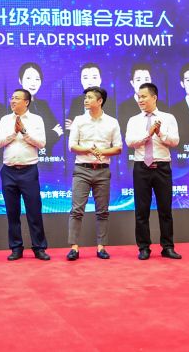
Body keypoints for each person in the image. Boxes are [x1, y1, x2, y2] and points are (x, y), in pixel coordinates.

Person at [125, 83, 182, 260]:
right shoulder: (134, 120)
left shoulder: (168, 117)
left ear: (154, 97)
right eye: (138, 97)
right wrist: (148, 134)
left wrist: (160, 133)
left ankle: (168, 247)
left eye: (144, 96)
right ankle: (144, 248)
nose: (140, 100)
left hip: (162, 166)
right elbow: (129, 142)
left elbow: (175, 141)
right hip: (141, 167)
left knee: (165, 210)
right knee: (141, 211)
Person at [66, 86, 122, 261]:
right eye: (86, 98)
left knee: (102, 211)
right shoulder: (79, 120)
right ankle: (74, 248)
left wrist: (102, 152)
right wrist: (89, 149)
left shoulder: (112, 122)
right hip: (82, 170)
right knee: (76, 210)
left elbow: (118, 148)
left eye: (90, 97)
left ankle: (101, 247)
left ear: (100, 101)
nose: (86, 100)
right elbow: (72, 146)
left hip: (102, 170)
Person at [0, 89, 50, 261]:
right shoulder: (5, 120)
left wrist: (24, 132)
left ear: (26, 102)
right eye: (12, 98)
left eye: (17, 98)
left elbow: (41, 143)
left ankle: (39, 248)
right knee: (12, 213)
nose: (12, 101)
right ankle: (16, 248)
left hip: (29, 171)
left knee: (34, 212)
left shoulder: (36, 119)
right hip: (9, 171)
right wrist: (13, 133)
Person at [18, 62, 63, 154]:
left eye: (37, 79)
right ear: (20, 80)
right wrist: (53, 134)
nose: (33, 83)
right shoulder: (16, 106)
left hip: (46, 157)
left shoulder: (43, 105)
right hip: (26, 157)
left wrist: (50, 134)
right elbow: (25, 137)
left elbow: (59, 130)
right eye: (28, 78)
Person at [117, 63, 168, 136]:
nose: (143, 83)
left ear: (151, 81)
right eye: (138, 80)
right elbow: (125, 134)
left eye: (146, 79)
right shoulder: (123, 107)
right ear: (132, 83)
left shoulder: (162, 106)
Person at [65, 63, 116, 130]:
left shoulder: (110, 102)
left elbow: (111, 128)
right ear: (81, 81)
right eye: (85, 78)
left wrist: (78, 127)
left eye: (94, 77)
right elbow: (68, 128)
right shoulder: (76, 102)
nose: (90, 82)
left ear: (100, 80)